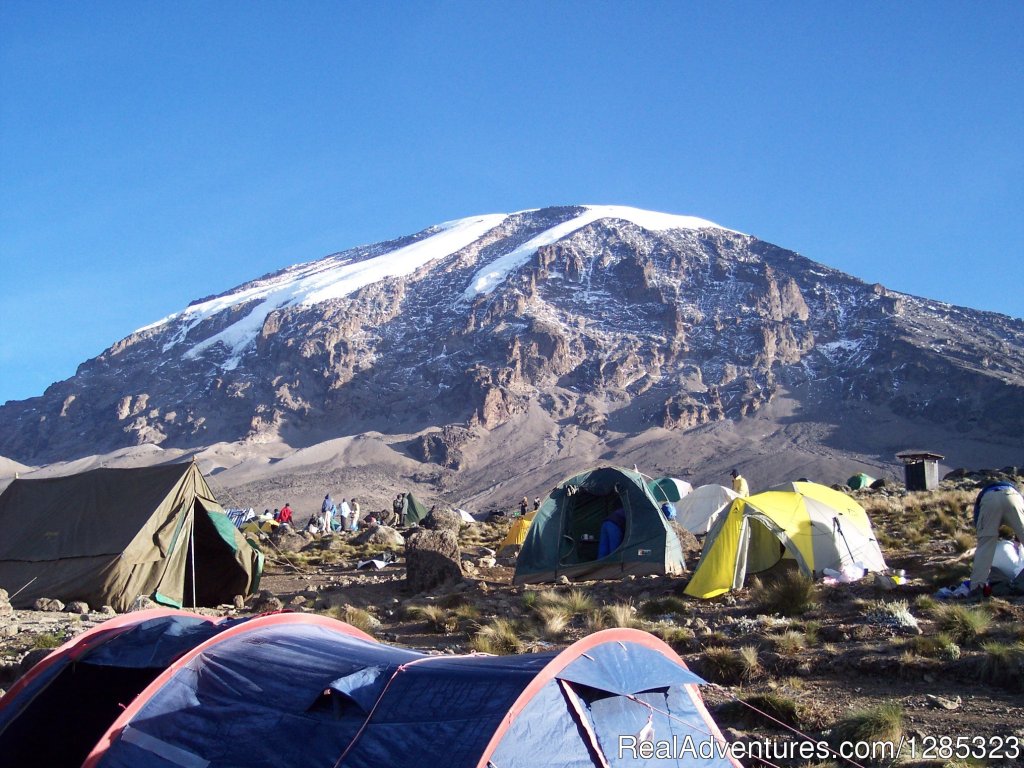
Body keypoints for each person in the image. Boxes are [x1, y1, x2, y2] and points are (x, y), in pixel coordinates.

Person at [970, 481, 1024, 592]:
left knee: (985, 547)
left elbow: (977, 517)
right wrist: (1019, 538)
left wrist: (983, 535)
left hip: (990, 499)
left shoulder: (983, 493)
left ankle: (977, 588)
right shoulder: (1016, 491)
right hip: (1013, 497)